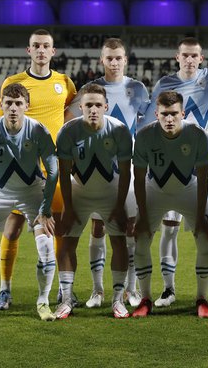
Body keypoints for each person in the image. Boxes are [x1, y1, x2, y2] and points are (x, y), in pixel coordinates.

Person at [0, 29, 77, 312]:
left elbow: (68, 114)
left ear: (53, 51)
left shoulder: (65, 83)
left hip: (53, 172)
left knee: (59, 229)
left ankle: (64, 292)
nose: (41, 50)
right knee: (12, 231)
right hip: (20, 172)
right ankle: (5, 290)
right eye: (36, 46)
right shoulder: (13, 83)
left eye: (46, 46)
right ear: (29, 51)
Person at [139, 37, 208, 308]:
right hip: (170, 164)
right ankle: (168, 289)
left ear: (201, 58)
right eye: (185, 55)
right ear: (178, 57)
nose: (189, 59)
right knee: (170, 229)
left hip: (200, 162)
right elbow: (150, 117)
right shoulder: (164, 85)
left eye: (194, 56)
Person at [66, 38, 149, 309]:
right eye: (109, 58)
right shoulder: (92, 90)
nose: (114, 63)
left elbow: (147, 125)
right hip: (96, 170)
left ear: (126, 60)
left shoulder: (137, 88)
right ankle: (97, 290)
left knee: (130, 229)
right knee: (98, 226)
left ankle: (131, 289)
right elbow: (72, 122)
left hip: (127, 166)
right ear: (102, 60)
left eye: (118, 58)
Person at [0, 83, 57, 322]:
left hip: (32, 194)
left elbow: (53, 170)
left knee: (47, 246)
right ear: (1, 105)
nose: (13, 108)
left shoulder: (39, 131)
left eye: (19, 103)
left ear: (27, 106)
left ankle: (43, 302)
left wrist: (46, 208)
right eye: (8, 103)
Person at [131, 91, 208, 318]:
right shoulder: (145, 135)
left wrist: (200, 216)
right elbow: (138, 178)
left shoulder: (197, 135)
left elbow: (204, 177)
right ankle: (145, 298)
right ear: (156, 114)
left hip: (188, 189)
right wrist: (143, 216)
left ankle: (202, 298)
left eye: (174, 114)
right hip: (155, 190)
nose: (169, 119)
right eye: (164, 114)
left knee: (207, 240)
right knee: (140, 240)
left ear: (183, 113)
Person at [54, 83, 135, 319]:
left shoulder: (119, 131)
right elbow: (64, 173)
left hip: (111, 192)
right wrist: (68, 208)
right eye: (88, 105)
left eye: (98, 105)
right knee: (67, 242)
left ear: (106, 107)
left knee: (119, 242)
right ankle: (67, 300)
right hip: (80, 191)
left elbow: (126, 172)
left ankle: (117, 301)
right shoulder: (68, 132)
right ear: (81, 107)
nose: (93, 109)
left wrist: (120, 205)